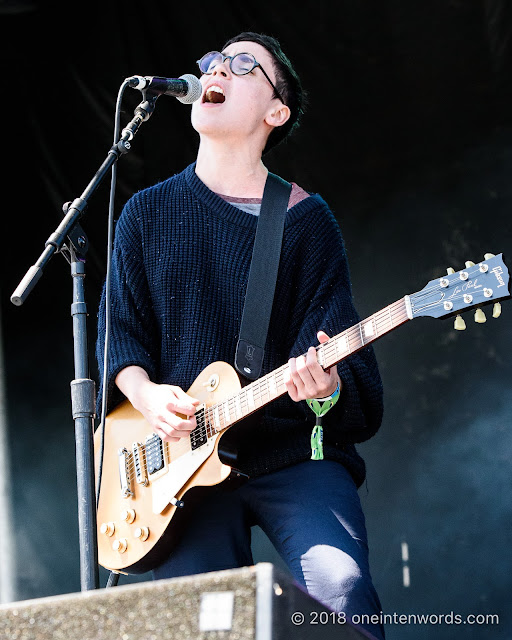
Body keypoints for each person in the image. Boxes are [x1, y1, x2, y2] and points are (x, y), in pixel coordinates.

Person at [96, 32, 385, 639]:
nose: (216, 69)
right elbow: (118, 336)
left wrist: (321, 389)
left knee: (341, 589)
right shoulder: (145, 213)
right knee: (202, 619)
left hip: (290, 454)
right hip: (176, 471)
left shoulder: (307, 220)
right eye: (212, 62)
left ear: (275, 111)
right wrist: (148, 397)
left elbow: (347, 367)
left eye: (243, 64)